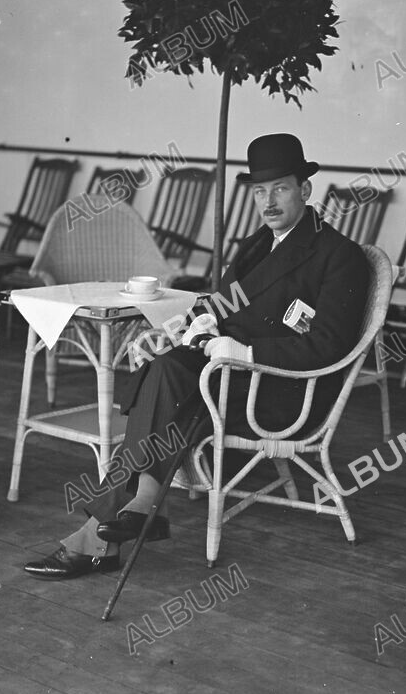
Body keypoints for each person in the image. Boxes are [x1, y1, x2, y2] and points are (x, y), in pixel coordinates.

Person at [24, 133, 372, 578]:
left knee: (167, 382)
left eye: (280, 188)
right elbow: (217, 305)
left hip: (282, 389)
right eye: (259, 191)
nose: (268, 201)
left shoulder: (338, 256)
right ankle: (129, 513)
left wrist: (246, 349)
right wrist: (195, 326)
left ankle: (112, 526)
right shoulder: (255, 246)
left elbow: (329, 345)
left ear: (305, 190)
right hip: (226, 377)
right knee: (162, 369)